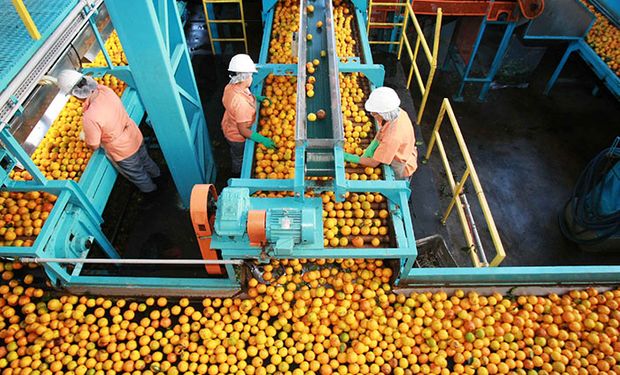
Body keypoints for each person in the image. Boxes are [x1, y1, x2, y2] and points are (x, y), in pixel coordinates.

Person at [56, 70, 161, 198]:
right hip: (133, 134)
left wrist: (86, 137)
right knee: (145, 159)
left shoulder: (90, 117)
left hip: (122, 149)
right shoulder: (105, 90)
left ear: (76, 94)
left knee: (137, 173)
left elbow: (93, 145)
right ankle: (160, 177)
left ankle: (152, 193)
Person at [343, 87, 418, 180]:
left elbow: (374, 163)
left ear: (383, 114)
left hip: (400, 164)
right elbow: (383, 130)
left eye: (374, 114)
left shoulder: (392, 138)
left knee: (397, 183)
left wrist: (350, 157)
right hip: (405, 149)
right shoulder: (399, 113)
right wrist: (373, 146)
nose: (373, 116)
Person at [221, 54, 275, 176]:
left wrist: (256, 98)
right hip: (236, 137)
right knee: (239, 156)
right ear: (244, 78)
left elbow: (244, 95)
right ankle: (237, 172)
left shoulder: (231, 86)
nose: (251, 77)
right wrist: (262, 139)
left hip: (229, 124)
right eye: (250, 75)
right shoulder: (241, 104)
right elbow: (243, 130)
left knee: (235, 152)